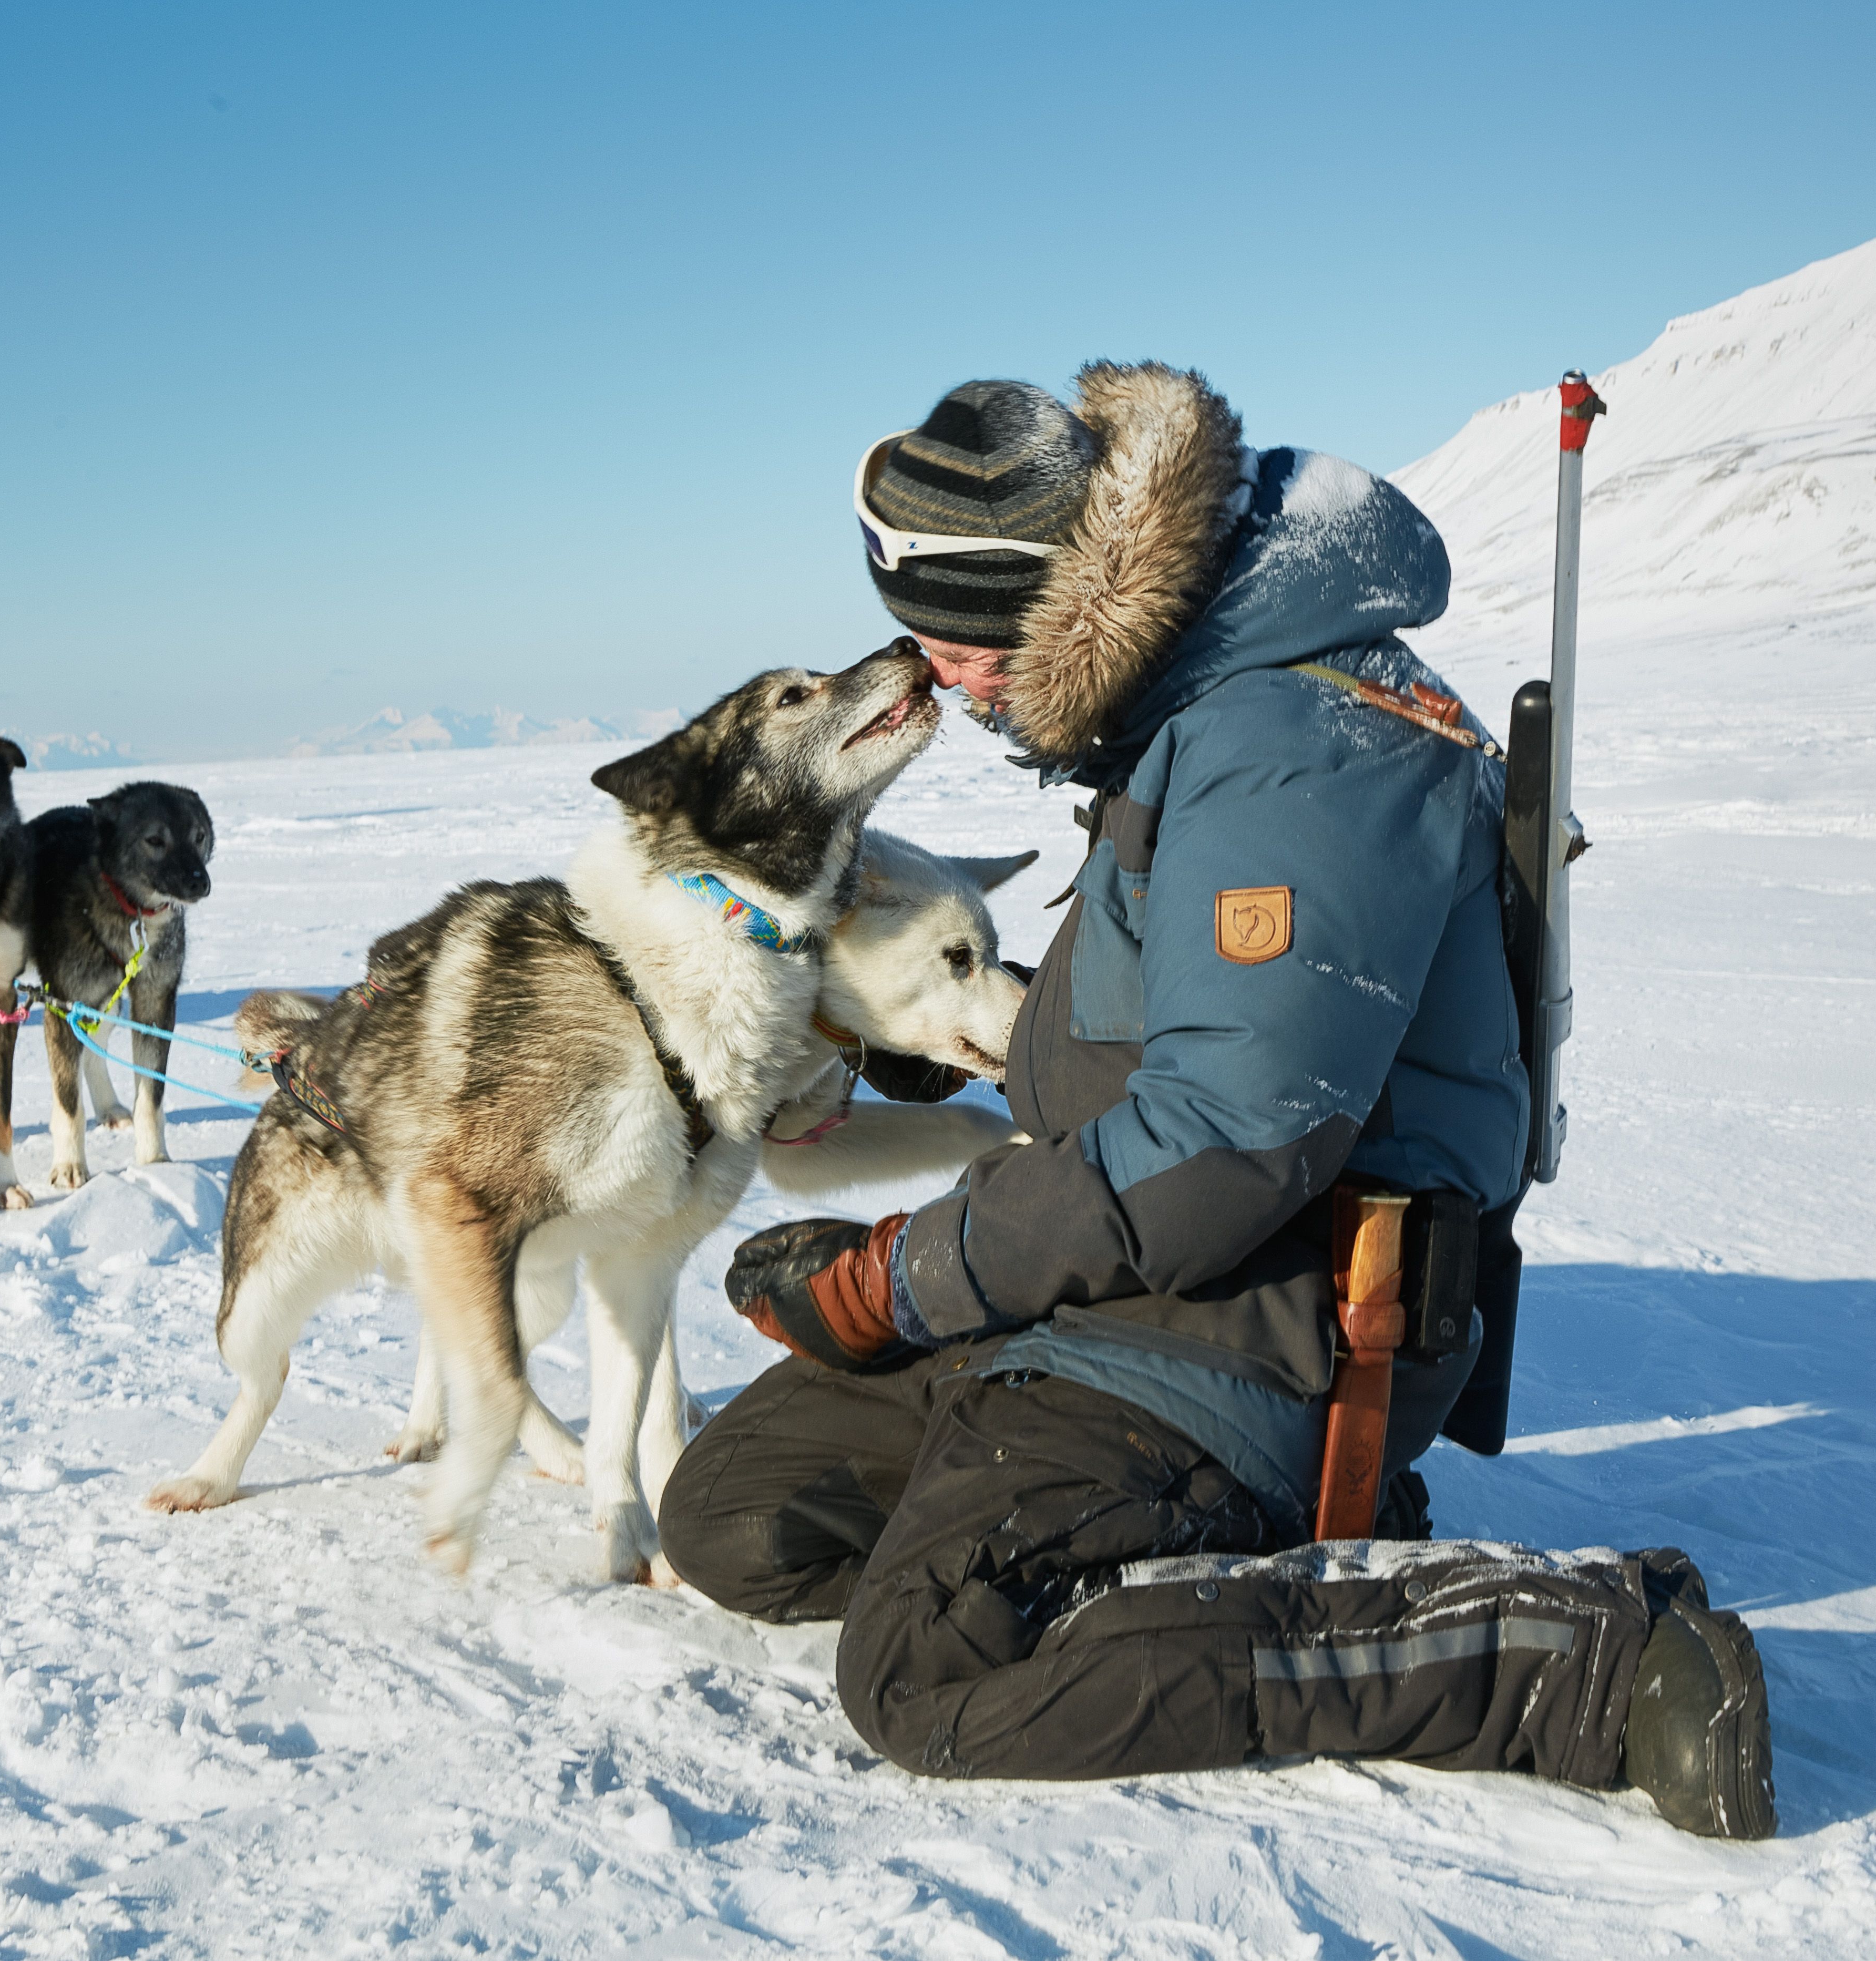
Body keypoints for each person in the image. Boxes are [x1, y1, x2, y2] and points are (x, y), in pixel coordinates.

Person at [657, 366, 1776, 1838]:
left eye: (958, 644)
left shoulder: (1298, 749)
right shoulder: (1196, 716)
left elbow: (1227, 1139)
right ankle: (1161, 1556)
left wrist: (911, 1275)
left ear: (1056, 602)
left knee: (934, 1659)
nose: (945, 682)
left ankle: (1566, 1651)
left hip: (1266, 1330)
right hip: (1125, 1300)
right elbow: (1128, 1054)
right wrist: (898, 1072)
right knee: (739, 1510)